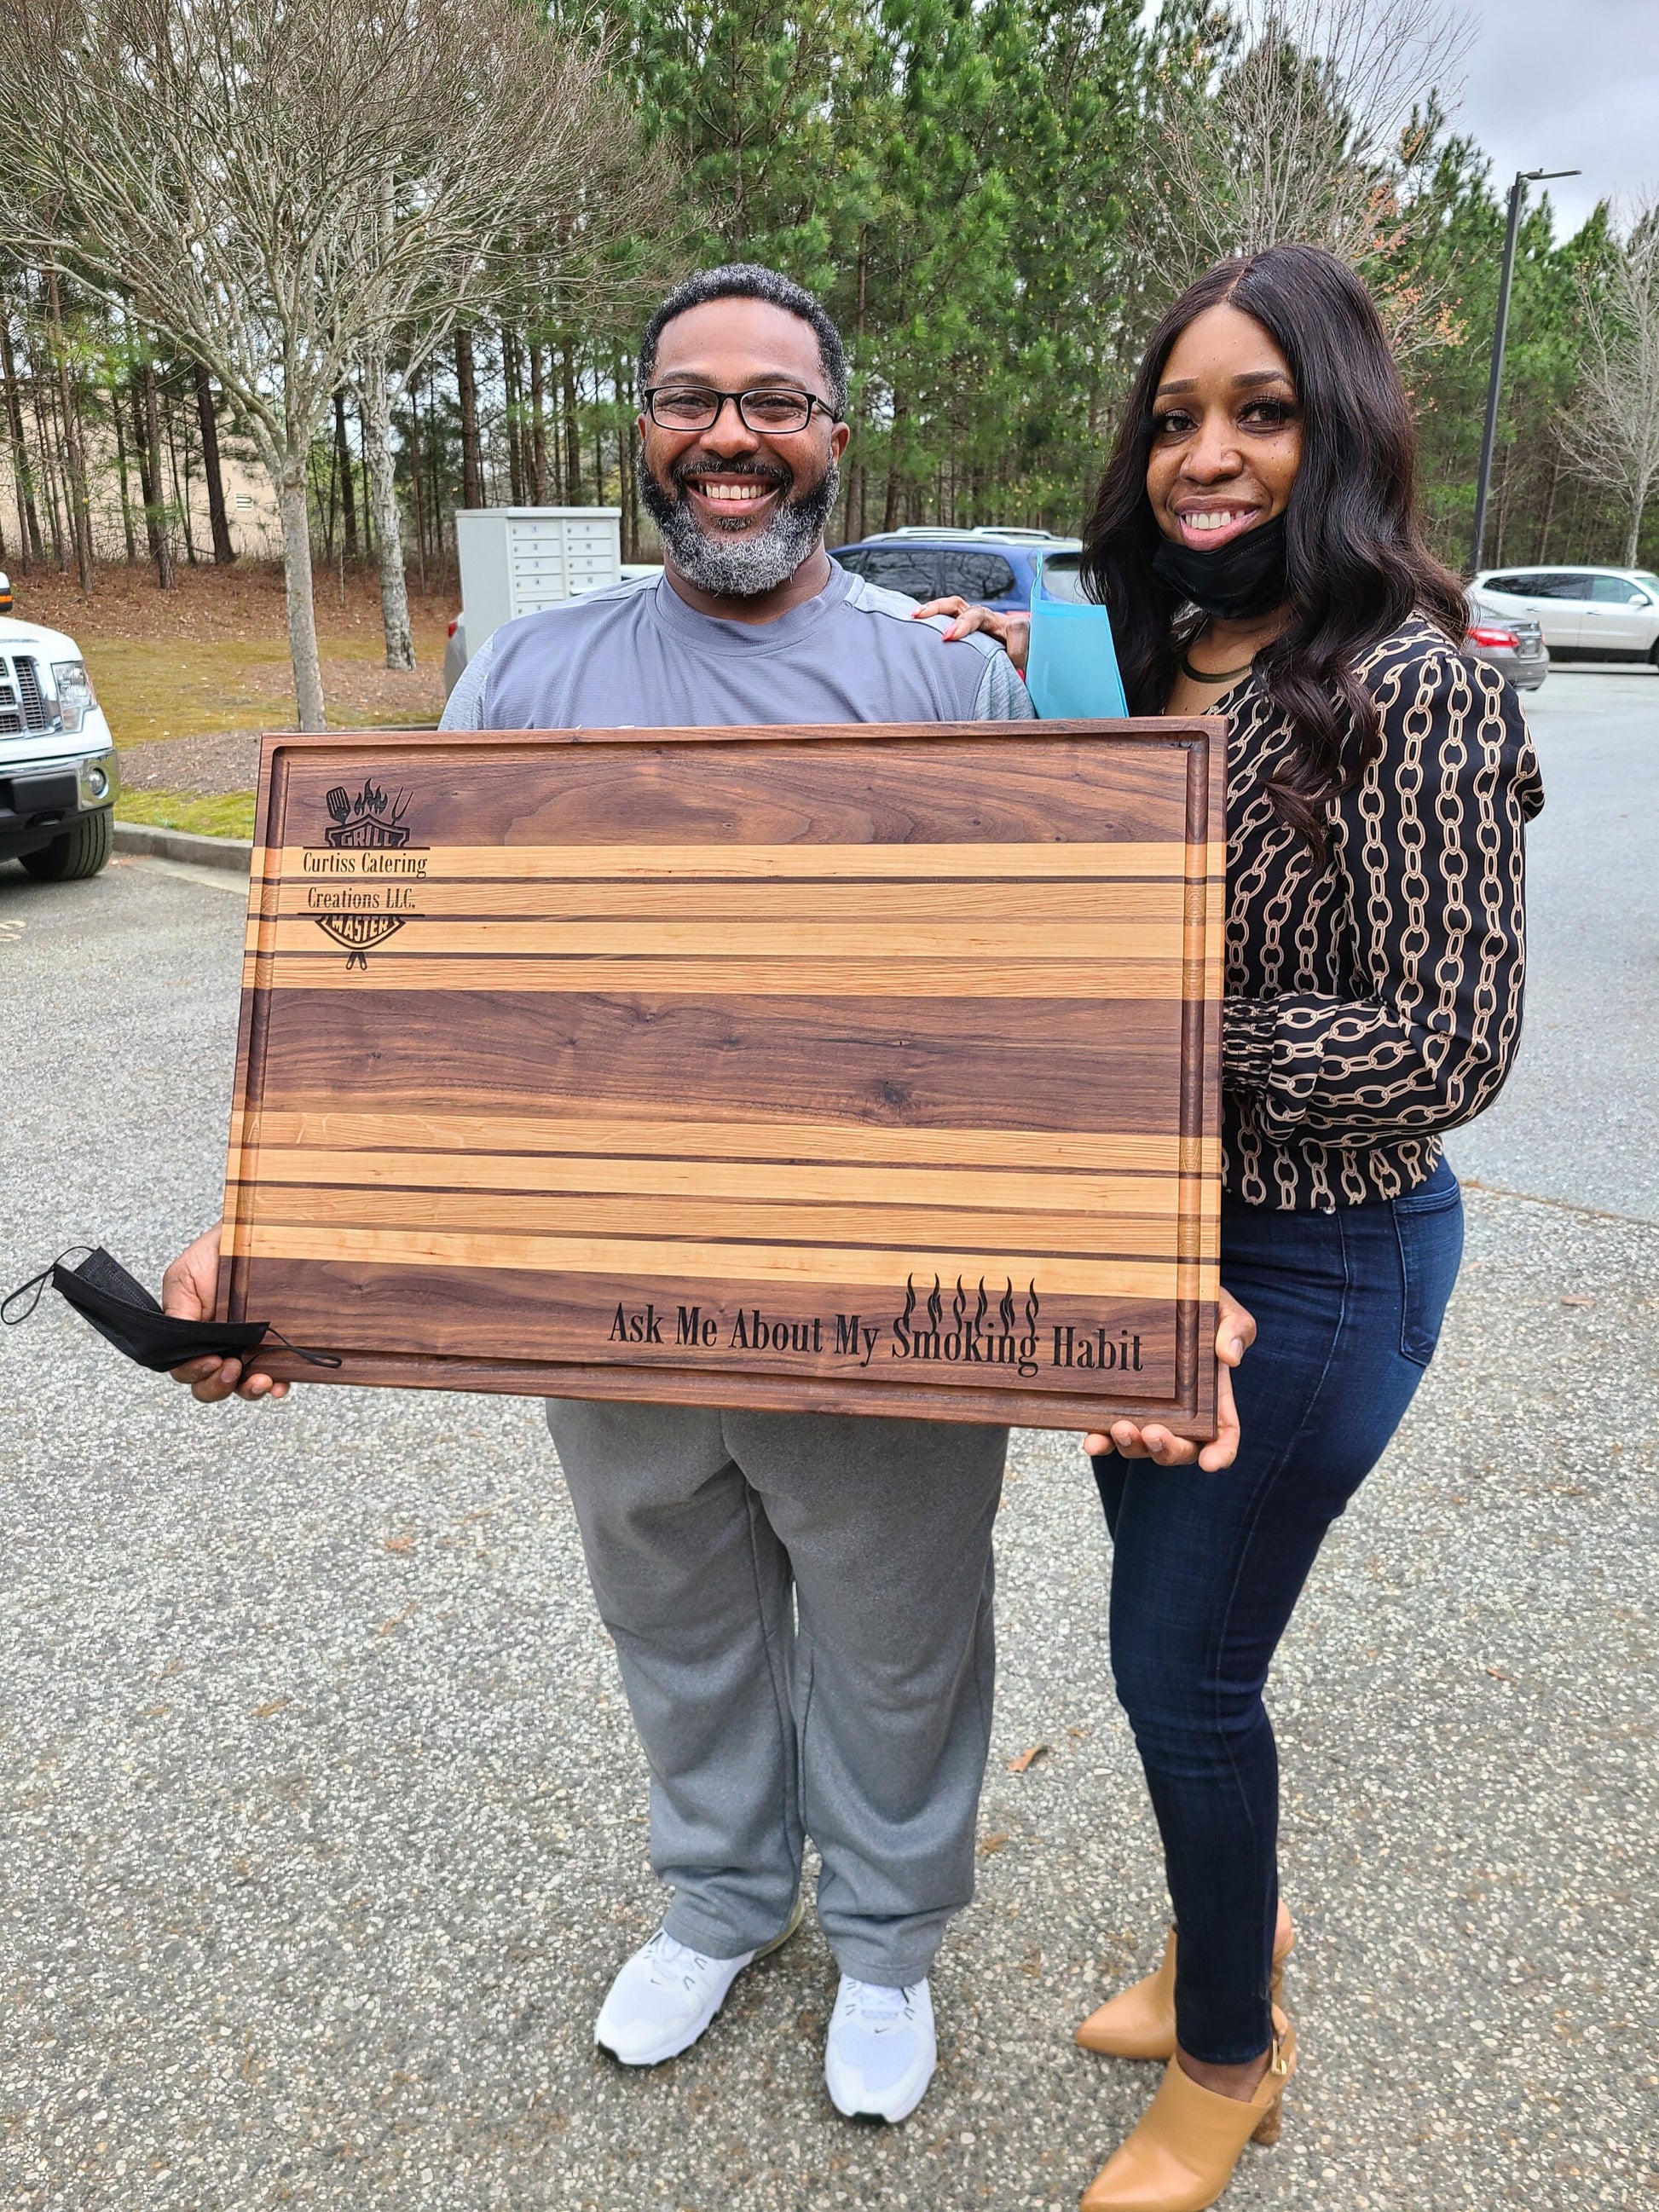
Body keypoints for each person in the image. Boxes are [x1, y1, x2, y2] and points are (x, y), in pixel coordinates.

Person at [160, 264, 1033, 2127]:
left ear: (835, 438)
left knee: (896, 1633)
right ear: (643, 430)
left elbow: (1042, 1004)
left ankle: (883, 1940)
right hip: (602, 1283)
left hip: (873, 1299)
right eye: (691, 397)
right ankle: (718, 1899)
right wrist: (280, 1235)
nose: (732, 436)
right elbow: (398, 992)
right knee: (679, 1616)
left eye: (776, 403)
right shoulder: (527, 675)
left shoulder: (944, 676)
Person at [917, 243, 1542, 2209]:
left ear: (1338, 427)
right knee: (1173, 1637)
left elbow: (1448, 1045)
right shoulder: (1132, 658)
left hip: (1322, 1257)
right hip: (1139, 1241)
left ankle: (1226, 2059)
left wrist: (1155, 1027)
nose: (1207, 453)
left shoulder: (1416, 689)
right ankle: (1223, 1937)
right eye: (1177, 414)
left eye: (1258, 411)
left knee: (1183, 1664)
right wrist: (986, 697)